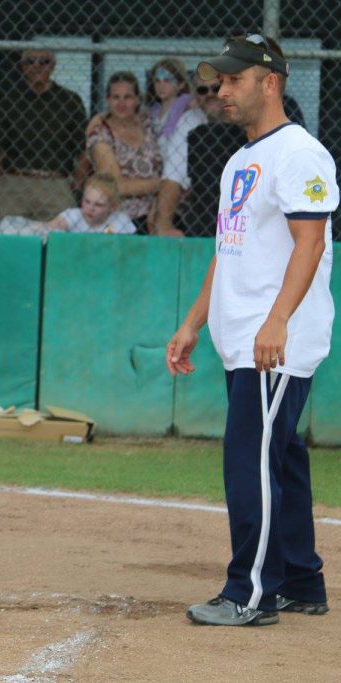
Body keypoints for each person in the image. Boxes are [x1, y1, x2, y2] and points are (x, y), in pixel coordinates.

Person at [166, 34, 337, 627]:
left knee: (249, 461)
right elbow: (228, 250)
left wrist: (278, 321)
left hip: (276, 340)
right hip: (244, 336)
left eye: (235, 80)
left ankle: (251, 593)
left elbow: (310, 242)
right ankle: (299, 580)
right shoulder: (242, 158)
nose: (222, 91)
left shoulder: (301, 154)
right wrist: (193, 322)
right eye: (220, 81)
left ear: (271, 82)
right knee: (280, 457)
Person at [0, 49, 87, 225]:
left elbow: (82, 151)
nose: (37, 66)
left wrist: (75, 184)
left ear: (53, 66)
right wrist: (3, 182)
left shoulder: (70, 101)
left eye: (44, 61)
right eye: (30, 61)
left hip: (56, 183)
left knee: (58, 243)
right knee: (11, 241)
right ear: (22, 66)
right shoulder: (8, 100)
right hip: (15, 182)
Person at [151, 74, 247, 237]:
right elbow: (172, 178)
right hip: (204, 210)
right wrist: (164, 225)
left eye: (216, 88)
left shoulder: (246, 117)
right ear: (196, 96)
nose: (210, 95)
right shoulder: (191, 119)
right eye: (203, 90)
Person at [87, 71, 162, 232]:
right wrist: (163, 185)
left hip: (159, 210)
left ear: (137, 100)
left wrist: (160, 202)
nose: (121, 103)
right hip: (123, 219)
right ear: (107, 100)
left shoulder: (149, 123)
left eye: (127, 97)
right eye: (116, 97)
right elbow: (116, 187)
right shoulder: (101, 134)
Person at [145, 58, 205, 165]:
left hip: (177, 161)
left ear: (181, 84)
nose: (161, 86)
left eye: (167, 80)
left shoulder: (187, 103)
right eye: (157, 81)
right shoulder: (153, 110)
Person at [43, 174, 136, 235]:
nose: (90, 208)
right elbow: (51, 227)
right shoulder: (74, 214)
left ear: (113, 207)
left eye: (98, 205)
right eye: (87, 201)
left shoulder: (120, 220)